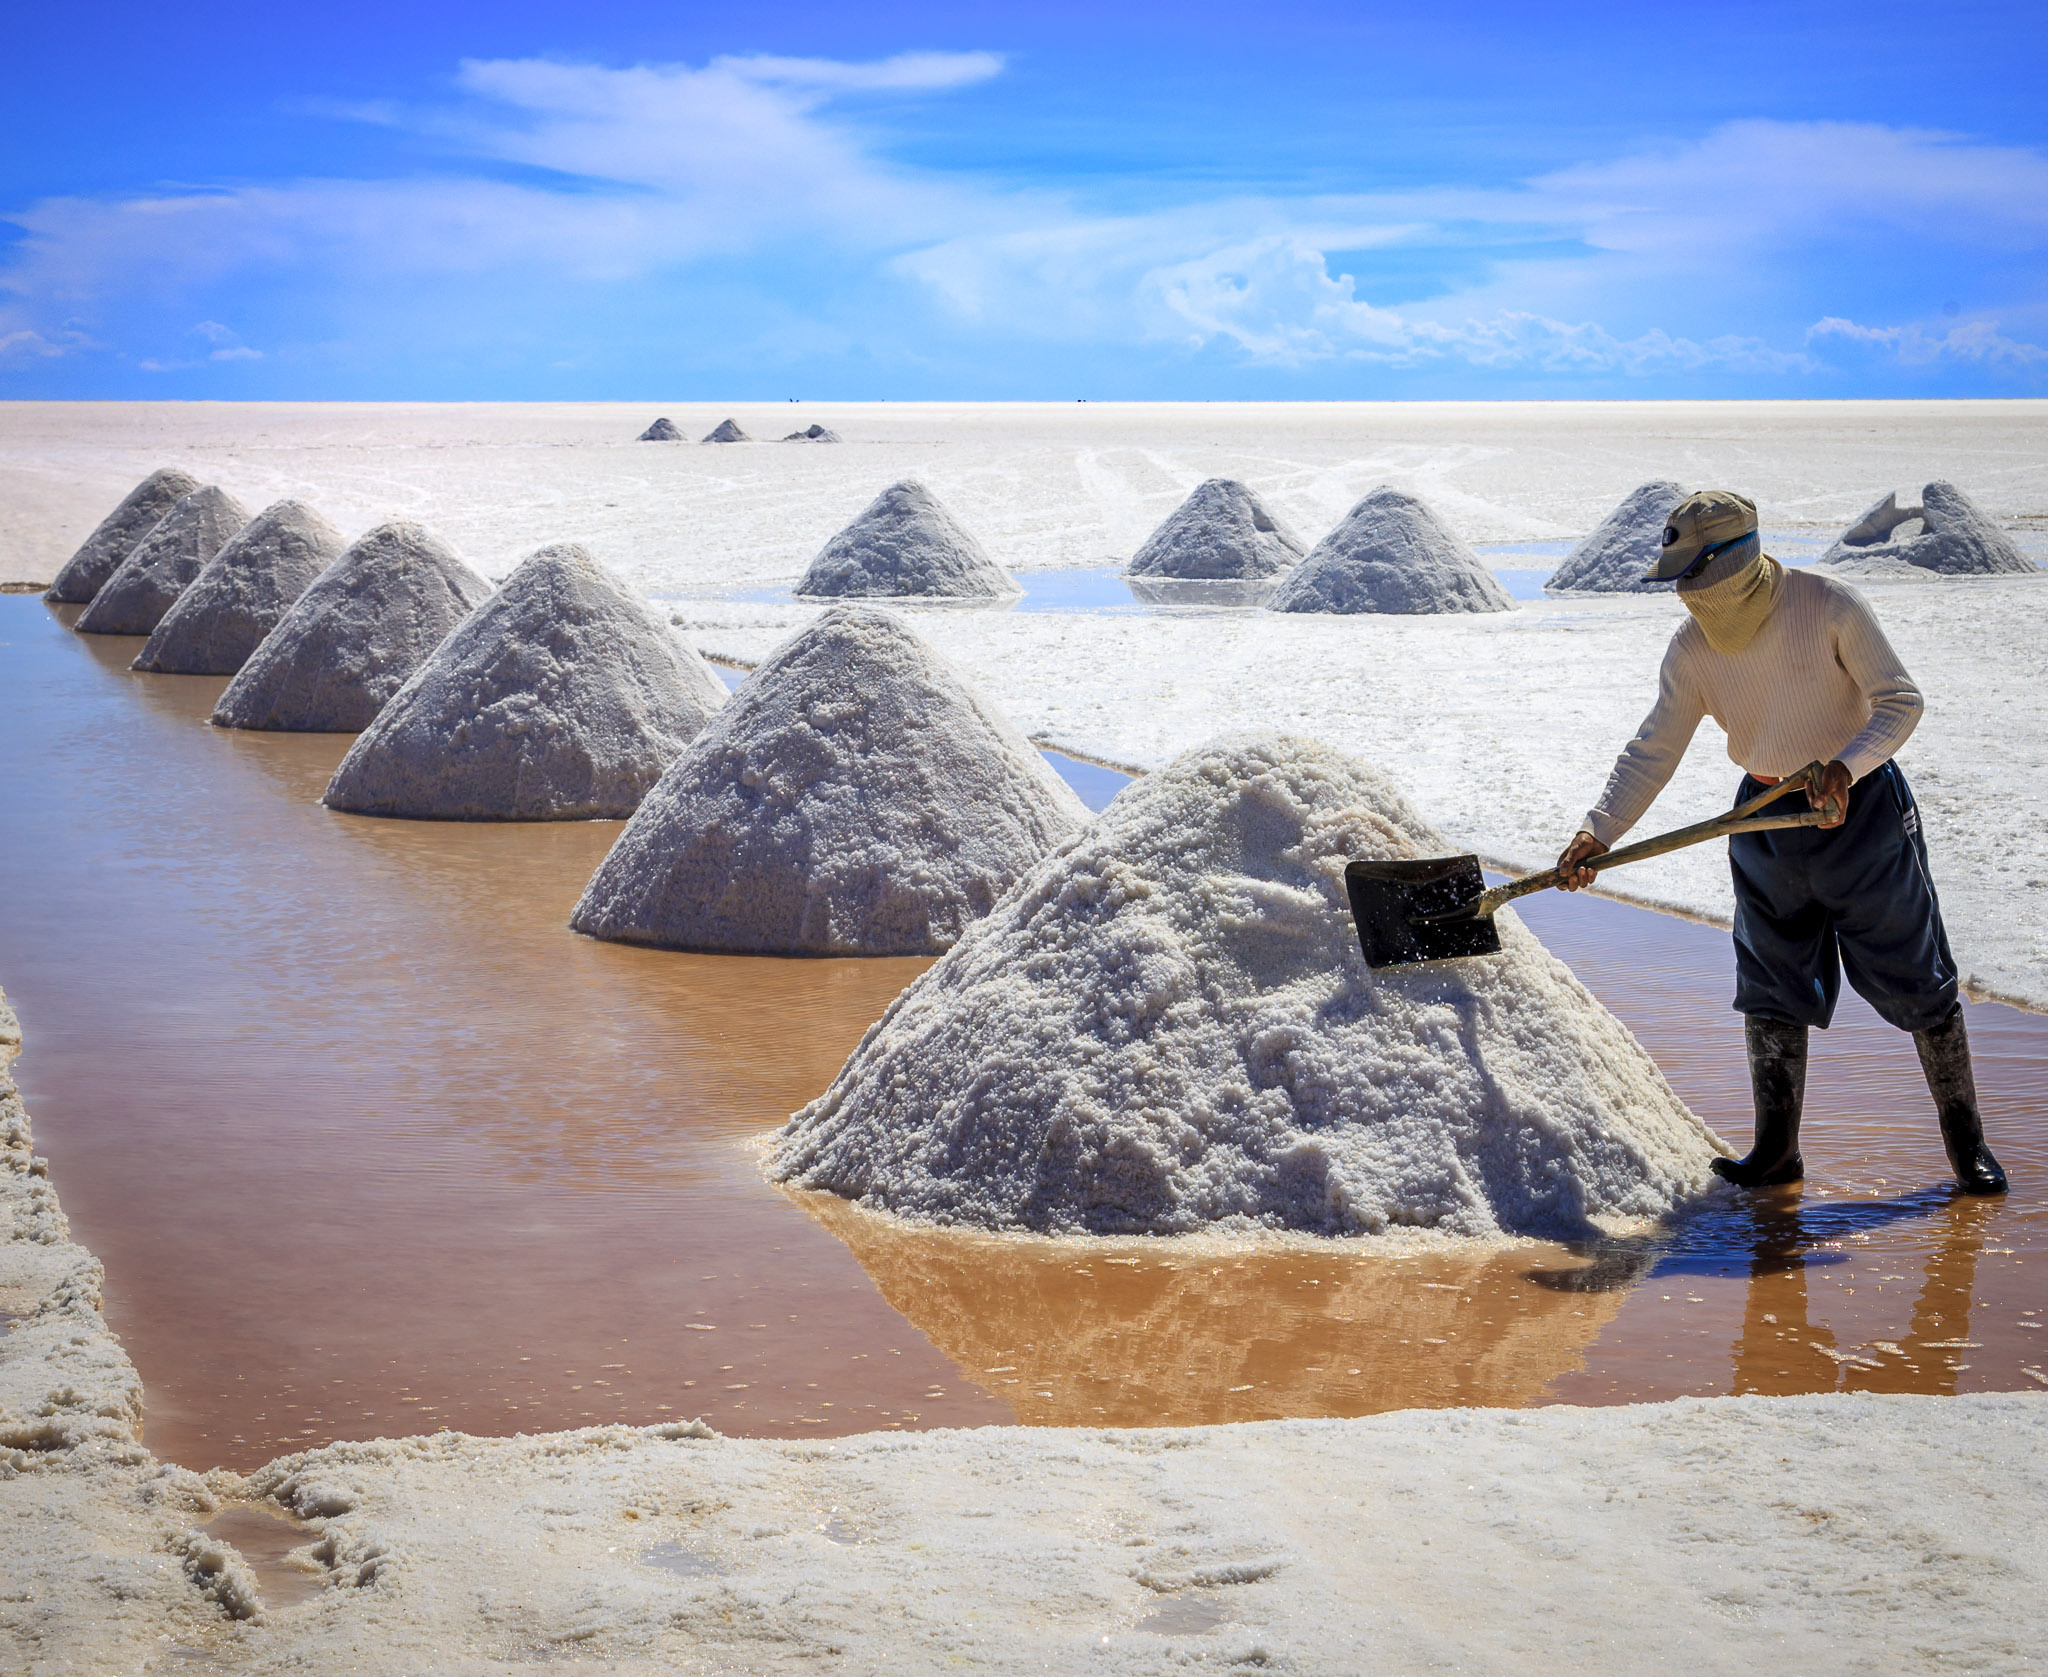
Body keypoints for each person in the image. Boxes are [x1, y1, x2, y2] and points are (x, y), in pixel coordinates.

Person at [1555, 488, 2005, 1195]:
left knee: (1917, 974)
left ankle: (1967, 1146)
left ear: (1735, 561)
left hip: (1861, 815)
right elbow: (1653, 750)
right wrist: (1597, 829)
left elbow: (1899, 700)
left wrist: (1844, 766)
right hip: (1764, 819)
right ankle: (1775, 1151)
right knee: (1770, 984)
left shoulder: (1827, 606)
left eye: (1695, 573)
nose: (1687, 592)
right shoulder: (1693, 649)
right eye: (1678, 577)